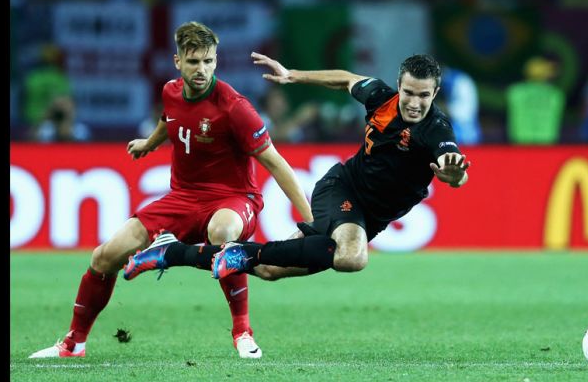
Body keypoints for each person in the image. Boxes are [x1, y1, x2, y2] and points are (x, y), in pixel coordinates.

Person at [29, 21, 313, 359]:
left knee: (222, 233)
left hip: (234, 199)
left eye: (209, 61)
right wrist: (149, 144)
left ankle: (242, 332)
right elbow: (170, 118)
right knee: (103, 257)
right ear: (178, 62)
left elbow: (277, 164)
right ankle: (74, 343)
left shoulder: (235, 109)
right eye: (194, 62)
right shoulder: (170, 91)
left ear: (216, 61)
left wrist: (310, 221)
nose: (202, 70)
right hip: (182, 198)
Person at [123, 52, 470, 285]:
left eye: (424, 96)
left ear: (435, 93)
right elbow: (345, 79)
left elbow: (454, 167)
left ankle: (172, 251)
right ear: (399, 86)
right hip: (343, 190)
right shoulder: (381, 97)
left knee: (270, 269)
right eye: (409, 92)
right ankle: (240, 252)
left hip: (370, 218)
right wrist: (293, 75)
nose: (414, 102)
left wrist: (454, 175)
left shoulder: (437, 130)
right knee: (351, 257)